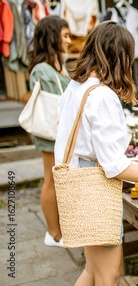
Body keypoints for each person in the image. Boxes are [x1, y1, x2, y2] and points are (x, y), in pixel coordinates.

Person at [54, 21, 138, 285]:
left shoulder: (76, 85)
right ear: (120, 56)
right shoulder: (102, 96)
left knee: (93, 270)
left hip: (77, 179)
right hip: (94, 186)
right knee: (110, 274)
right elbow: (114, 166)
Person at [27, 15, 72, 248]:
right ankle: (53, 234)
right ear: (53, 37)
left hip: (60, 132)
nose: (69, 40)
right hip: (48, 132)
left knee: (59, 180)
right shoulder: (42, 70)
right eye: (65, 35)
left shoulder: (60, 66)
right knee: (51, 181)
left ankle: (61, 228)